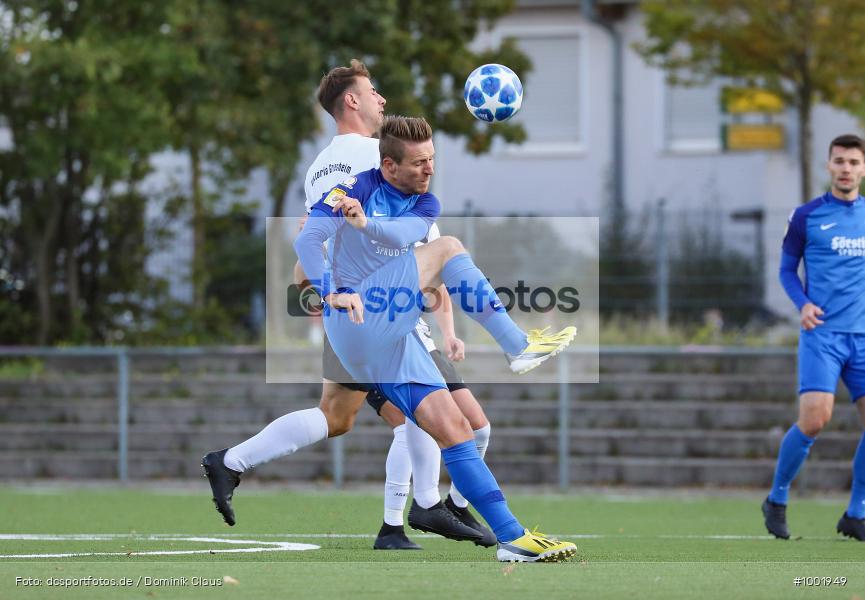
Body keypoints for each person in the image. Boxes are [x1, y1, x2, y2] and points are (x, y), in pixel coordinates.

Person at [202, 60, 492, 550]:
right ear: (351, 101)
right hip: (384, 308)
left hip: (346, 309)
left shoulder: (319, 167)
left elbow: (312, 237)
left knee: (337, 417)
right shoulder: (378, 155)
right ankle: (425, 507)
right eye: (373, 91)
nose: (382, 99)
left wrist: (317, 284)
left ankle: (230, 462)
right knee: (431, 413)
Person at [295, 114, 577, 562]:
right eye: (419, 163)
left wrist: (367, 225)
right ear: (388, 166)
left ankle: (512, 539)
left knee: (456, 429)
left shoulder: (425, 203)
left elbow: (405, 234)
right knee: (448, 249)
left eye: (432, 160)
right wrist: (332, 290)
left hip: (394, 334)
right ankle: (518, 345)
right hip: (355, 321)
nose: (429, 170)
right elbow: (307, 242)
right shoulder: (353, 188)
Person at [762, 133, 865, 541]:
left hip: (863, 337)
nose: (846, 169)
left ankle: (856, 513)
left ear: (863, 168)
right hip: (822, 335)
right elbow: (787, 270)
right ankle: (777, 497)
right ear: (828, 166)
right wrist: (802, 303)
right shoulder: (807, 216)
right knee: (815, 420)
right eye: (839, 161)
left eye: (853, 162)